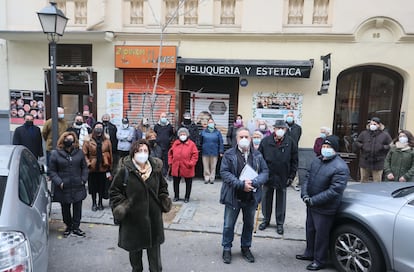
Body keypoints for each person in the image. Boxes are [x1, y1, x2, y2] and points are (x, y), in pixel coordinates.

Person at [109, 139, 170, 272]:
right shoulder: (124, 171)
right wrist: (122, 206)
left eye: (145, 151)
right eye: (138, 151)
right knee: (136, 264)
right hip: (133, 221)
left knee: (156, 265)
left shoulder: (156, 169)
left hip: (153, 221)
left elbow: (163, 188)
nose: (142, 154)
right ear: (133, 153)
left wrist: (164, 199)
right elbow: (114, 192)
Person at [296, 136, 349, 271]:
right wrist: (305, 194)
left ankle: (320, 260)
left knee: (322, 235)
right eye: (324, 146)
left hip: (325, 207)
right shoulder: (317, 160)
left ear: (335, 149)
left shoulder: (340, 167)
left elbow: (334, 191)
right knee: (310, 230)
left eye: (328, 147)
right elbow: (307, 177)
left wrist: (314, 200)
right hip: (311, 203)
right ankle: (309, 253)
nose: (325, 149)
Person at [220, 127, 269, 264]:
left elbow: (265, 172)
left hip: (251, 198)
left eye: (246, 137)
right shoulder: (229, 154)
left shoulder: (258, 155)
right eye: (241, 137)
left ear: (251, 138)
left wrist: (254, 182)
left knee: (248, 224)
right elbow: (224, 173)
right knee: (228, 225)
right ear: (236, 139)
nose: (244, 140)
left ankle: (246, 247)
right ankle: (227, 248)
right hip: (233, 196)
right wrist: (241, 184)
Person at [258, 120, 298, 235]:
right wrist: (260, 174)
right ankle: (266, 220)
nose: (280, 130)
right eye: (278, 128)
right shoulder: (265, 141)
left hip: (283, 175)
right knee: (266, 199)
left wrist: (291, 176)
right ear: (274, 129)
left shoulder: (290, 142)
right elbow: (259, 159)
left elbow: (294, 161)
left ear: (285, 130)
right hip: (268, 175)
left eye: (283, 128)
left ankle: (280, 223)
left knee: (281, 200)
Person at [49, 131, 88, 237]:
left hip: (77, 185)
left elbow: (84, 167)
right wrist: (59, 182)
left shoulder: (79, 153)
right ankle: (68, 226)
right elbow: (52, 171)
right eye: (67, 139)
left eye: (71, 139)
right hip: (63, 186)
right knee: (65, 208)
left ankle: (76, 227)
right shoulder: (55, 154)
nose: (69, 141)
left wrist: (83, 179)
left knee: (77, 207)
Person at [83, 122, 113, 211]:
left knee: (101, 186)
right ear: (93, 128)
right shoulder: (88, 140)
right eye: (97, 127)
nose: (99, 128)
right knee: (93, 187)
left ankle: (100, 203)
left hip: (103, 165)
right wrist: (88, 163)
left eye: (100, 127)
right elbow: (84, 154)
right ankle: (94, 203)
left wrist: (110, 166)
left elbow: (110, 153)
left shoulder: (107, 140)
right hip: (92, 166)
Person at [354, 117, 392, 182]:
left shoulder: (385, 135)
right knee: (363, 180)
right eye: (371, 124)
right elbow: (357, 142)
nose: (372, 126)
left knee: (377, 182)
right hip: (365, 161)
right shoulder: (364, 133)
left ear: (379, 125)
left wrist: (382, 147)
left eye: (374, 124)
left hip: (378, 161)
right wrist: (363, 146)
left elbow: (391, 145)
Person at [168, 128, 199, 203]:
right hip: (176, 166)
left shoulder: (191, 144)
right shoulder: (176, 143)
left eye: (184, 134)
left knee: (188, 183)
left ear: (187, 135)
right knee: (175, 182)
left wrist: (191, 163)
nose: (182, 136)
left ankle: (187, 197)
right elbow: (170, 153)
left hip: (187, 166)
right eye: (181, 134)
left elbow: (195, 155)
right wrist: (171, 162)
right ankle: (176, 196)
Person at [200, 118, 224, 184]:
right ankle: (206, 178)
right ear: (207, 124)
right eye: (209, 122)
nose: (211, 124)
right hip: (205, 151)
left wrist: (221, 151)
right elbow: (200, 141)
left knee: (213, 166)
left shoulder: (217, 132)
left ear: (214, 123)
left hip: (214, 151)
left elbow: (221, 142)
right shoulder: (203, 132)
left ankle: (212, 178)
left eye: (212, 122)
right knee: (206, 166)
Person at [154, 112, 175, 177]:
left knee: (167, 160)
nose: (164, 118)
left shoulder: (169, 126)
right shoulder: (156, 126)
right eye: (162, 117)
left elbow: (172, 135)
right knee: (159, 159)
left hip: (167, 145)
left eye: (165, 117)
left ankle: (167, 173)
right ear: (159, 118)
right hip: (158, 145)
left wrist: (169, 140)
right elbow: (154, 134)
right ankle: (159, 174)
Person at [285, 111, 302, 191]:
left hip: (294, 149)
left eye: (291, 116)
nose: (289, 117)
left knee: (294, 165)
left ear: (293, 117)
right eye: (288, 115)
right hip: (284, 149)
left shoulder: (298, 128)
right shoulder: (283, 127)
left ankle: (295, 183)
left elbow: (297, 137)